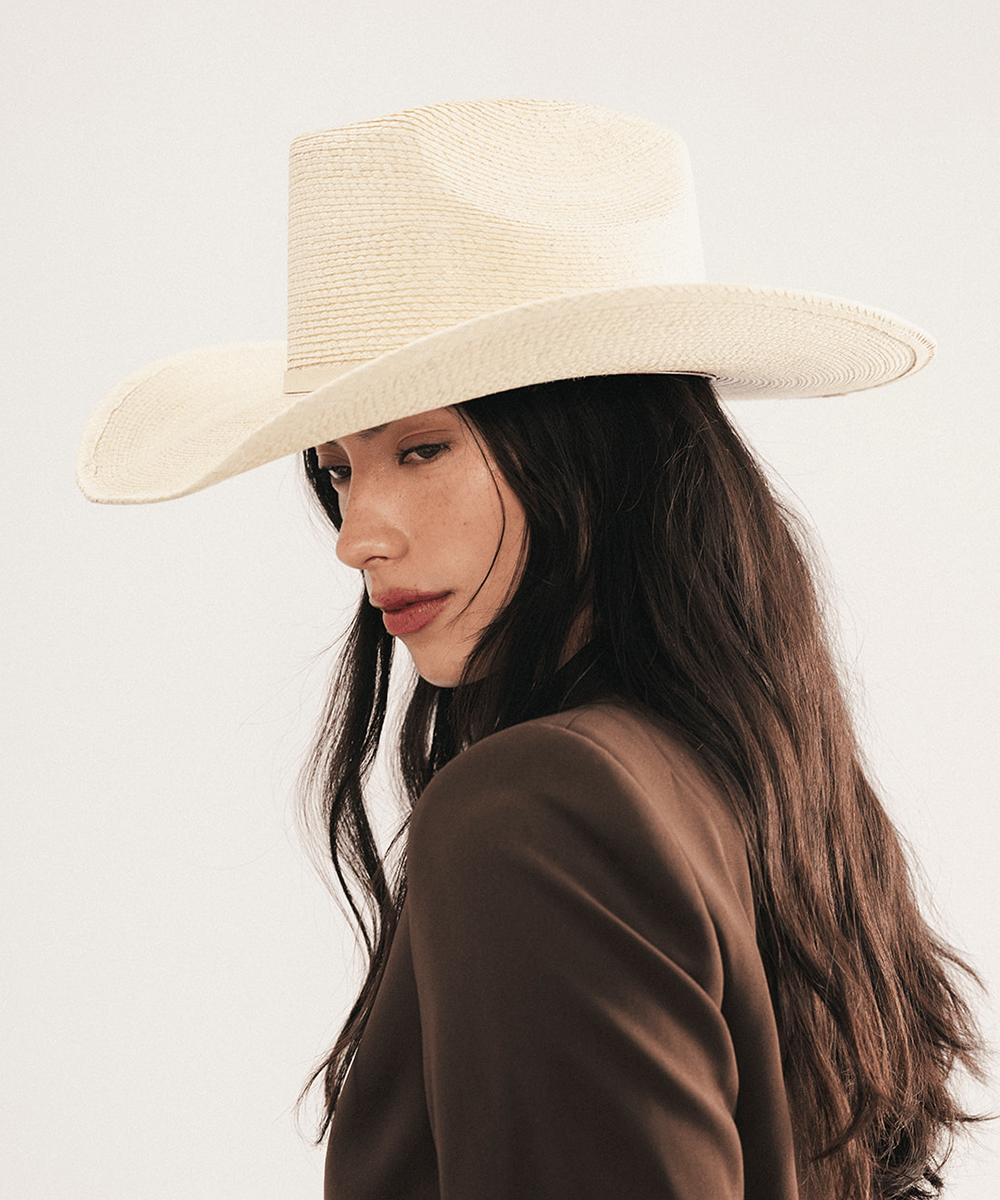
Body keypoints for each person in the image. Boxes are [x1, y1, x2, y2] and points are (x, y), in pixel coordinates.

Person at [77, 100, 984, 1199]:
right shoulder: (753, 778)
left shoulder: (536, 808)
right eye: (336, 470)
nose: (359, 535)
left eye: (420, 448)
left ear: (594, 451)